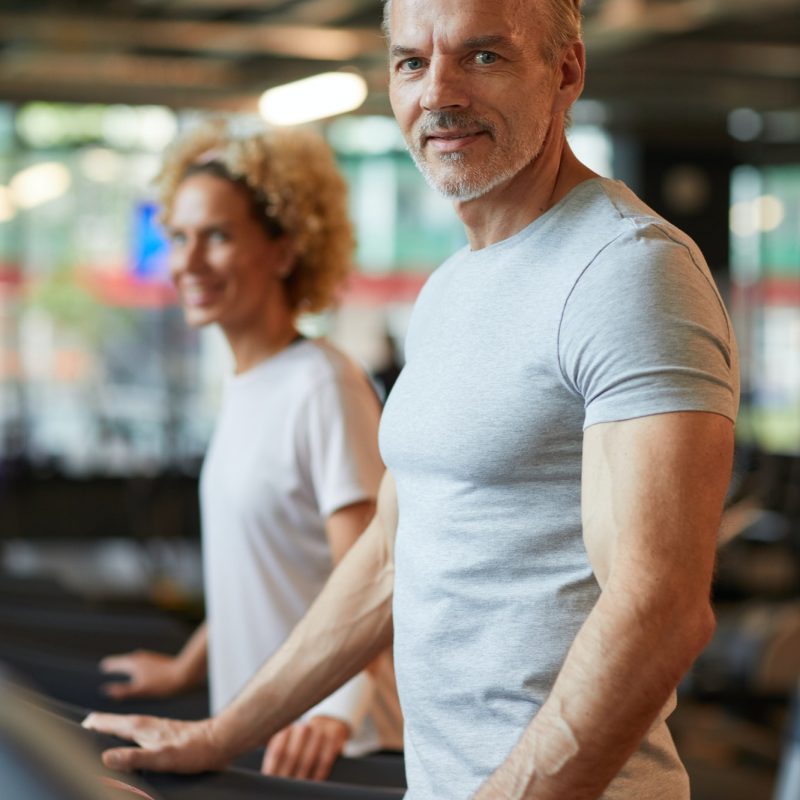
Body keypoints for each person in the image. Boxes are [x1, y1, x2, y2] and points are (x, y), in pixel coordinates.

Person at [84, 0, 739, 797]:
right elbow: (390, 558)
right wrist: (223, 732)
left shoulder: (627, 270)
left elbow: (660, 611)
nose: (439, 93)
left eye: (484, 57)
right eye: (411, 63)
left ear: (565, 71)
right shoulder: (448, 291)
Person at [94, 121, 402, 782]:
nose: (189, 262)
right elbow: (266, 569)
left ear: (286, 251)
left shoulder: (323, 385)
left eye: (219, 236)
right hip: (256, 730)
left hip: (333, 746)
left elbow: (373, 580)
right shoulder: (246, 385)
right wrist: (185, 667)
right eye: (179, 237)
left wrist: (339, 711)